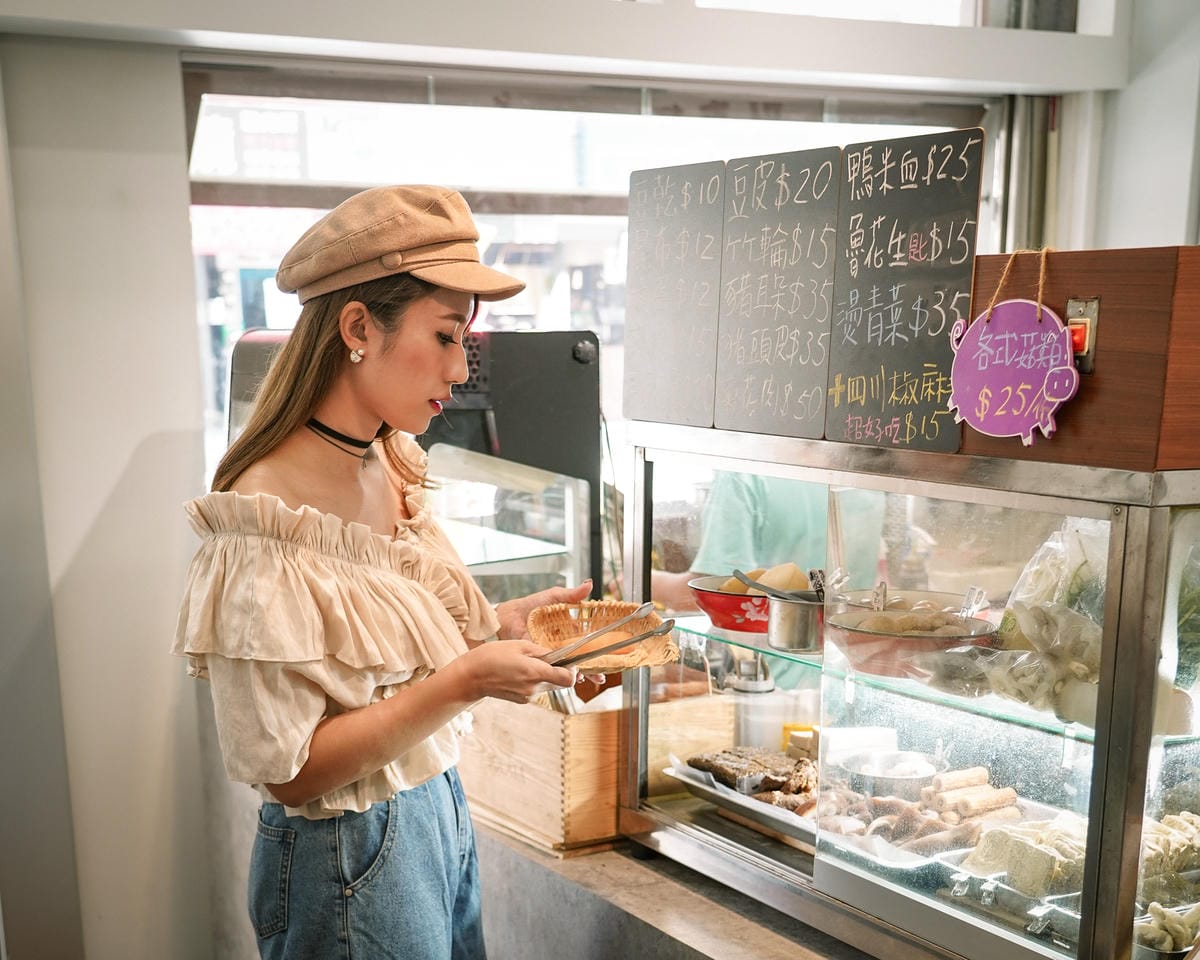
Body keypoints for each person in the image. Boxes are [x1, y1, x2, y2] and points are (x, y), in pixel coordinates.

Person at [173, 185, 592, 960]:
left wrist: (509, 632)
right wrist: (466, 680)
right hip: (347, 855)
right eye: (443, 336)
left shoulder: (392, 464)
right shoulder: (261, 519)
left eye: (462, 339)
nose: (460, 367)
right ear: (358, 327)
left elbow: (403, 666)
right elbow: (292, 776)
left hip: (436, 812)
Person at [651, 472, 887, 613]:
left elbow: (719, 599)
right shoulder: (864, 475)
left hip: (770, 677)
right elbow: (877, 577)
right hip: (845, 670)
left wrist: (641, 579)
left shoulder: (742, 475)